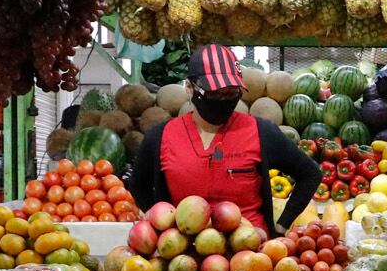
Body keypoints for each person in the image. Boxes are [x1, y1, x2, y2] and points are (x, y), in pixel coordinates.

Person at [124, 45, 319, 235]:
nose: (223, 100)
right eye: (214, 93)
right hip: (183, 254)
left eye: (231, 93)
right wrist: (159, 221)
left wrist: (281, 226)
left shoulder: (261, 132)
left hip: (250, 254)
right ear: (190, 88)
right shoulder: (160, 137)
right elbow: (137, 184)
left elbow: (310, 173)